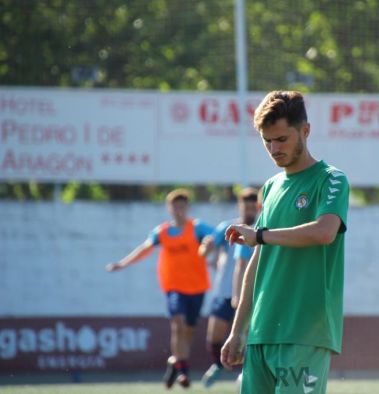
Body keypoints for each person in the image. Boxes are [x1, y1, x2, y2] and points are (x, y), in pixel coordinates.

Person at [219, 90, 350, 394]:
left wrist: (260, 235)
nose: (273, 148)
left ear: (305, 130)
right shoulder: (271, 187)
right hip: (262, 331)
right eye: (267, 141)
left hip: (306, 330)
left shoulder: (330, 179)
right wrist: (238, 330)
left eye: (281, 139)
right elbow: (258, 261)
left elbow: (324, 231)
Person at [105, 188, 213, 389]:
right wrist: (122, 264)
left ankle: (174, 362)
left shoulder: (197, 228)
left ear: (187, 208)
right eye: (175, 206)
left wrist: (210, 248)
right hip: (174, 288)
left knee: (188, 331)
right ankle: (183, 369)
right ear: (169, 208)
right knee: (177, 324)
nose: (179, 210)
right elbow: (144, 249)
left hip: (197, 287)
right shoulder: (162, 232)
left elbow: (215, 239)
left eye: (182, 206)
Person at [199, 188, 259, 388]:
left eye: (253, 206)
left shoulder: (261, 230)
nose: (249, 209)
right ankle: (218, 364)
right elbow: (206, 251)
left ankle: (246, 374)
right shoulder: (227, 227)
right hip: (225, 292)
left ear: (257, 207)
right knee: (214, 336)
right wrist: (205, 249)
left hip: (249, 294)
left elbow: (244, 265)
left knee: (248, 336)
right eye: (246, 205)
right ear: (239, 206)